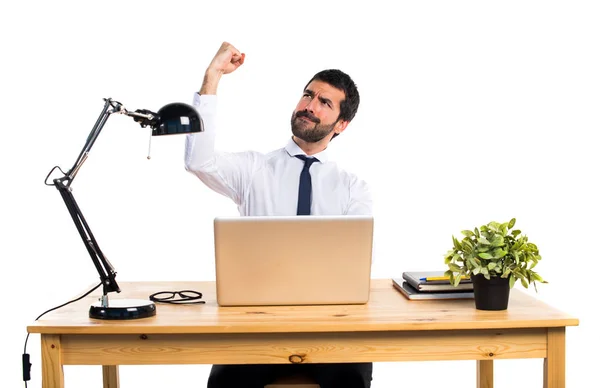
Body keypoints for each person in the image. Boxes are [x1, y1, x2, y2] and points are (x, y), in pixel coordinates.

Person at [184, 41, 373, 388]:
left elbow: (353, 265)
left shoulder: (352, 189)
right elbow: (198, 160)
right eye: (307, 95)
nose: (309, 106)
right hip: (256, 326)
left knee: (350, 382)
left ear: (341, 124)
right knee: (225, 385)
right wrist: (212, 77)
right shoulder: (255, 170)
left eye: (324, 102)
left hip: (330, 326)